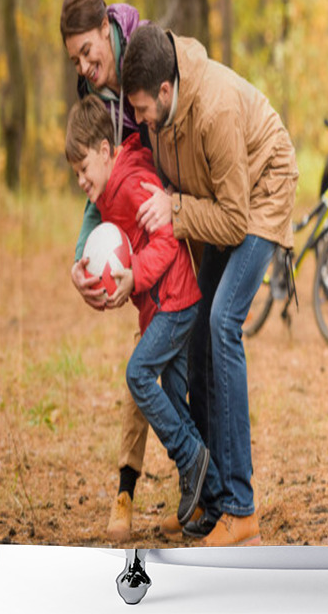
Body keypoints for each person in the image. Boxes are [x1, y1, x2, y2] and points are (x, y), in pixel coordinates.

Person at [122, 24, 298, 547]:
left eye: (145, 110)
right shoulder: (158, 108)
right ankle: (209, 493)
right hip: (221, 200)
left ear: (167, 90)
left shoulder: (215, 108)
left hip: (262, 189)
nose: (141, 121)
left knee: (223, 323)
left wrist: (175, 211)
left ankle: (241, 508)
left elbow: (232, 217)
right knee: (198, 329)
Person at [65, 95, 223, 538]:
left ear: (104, 150)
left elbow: (168, 238)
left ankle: (190, 456)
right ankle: (205, 498)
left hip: (176, 299)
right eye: (75, 173)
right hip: (158, 307)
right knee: (173, 393)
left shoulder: (131, 182)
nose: (80, 181)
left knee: (138, 376)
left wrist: (134, 278)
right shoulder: (109, 193)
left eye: (83, 169)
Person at [60, 0, 161, 541]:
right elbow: (95, 190)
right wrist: (82, 258)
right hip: (138, 237)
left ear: (106, 29)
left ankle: (218, 496)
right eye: (75, 59)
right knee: (141, 366)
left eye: (88, 51)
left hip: (178, 218)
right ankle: (125, 493)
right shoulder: (95, 98)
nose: (84, 64)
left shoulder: (147, 51)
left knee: (187, 363)